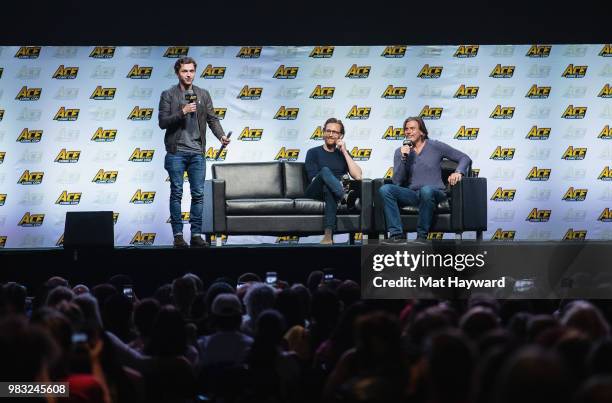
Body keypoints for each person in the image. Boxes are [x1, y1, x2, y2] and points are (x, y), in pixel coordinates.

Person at [158, 56, 230, 248]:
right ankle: (178, 236)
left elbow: (212, 119)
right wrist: (181, 112)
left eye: (191, 71)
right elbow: (162, 122)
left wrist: (221, 136)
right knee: (177, 193)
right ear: (177, 73)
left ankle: (196, 234)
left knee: (198, 194)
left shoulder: (203, 94)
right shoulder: (168, 95)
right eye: (184, 71)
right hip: (176, 152)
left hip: (197, 152)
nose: (188, 75)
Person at [379, 117, 471, 243]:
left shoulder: (435, 146)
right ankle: (396, 235)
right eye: (406, 129)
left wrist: (458, 172)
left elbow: (464, 158)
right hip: (413, 194)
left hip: (435, 192)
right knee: (386, 189)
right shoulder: (400, 152)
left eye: (412, 128)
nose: (408, 132)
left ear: (422, 132)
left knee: (426, 190)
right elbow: (397, 182)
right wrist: (403, 158)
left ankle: (421, 236)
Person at [304, 118, 362, 244]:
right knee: (325, 171)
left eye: (335, 132)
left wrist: (345, 152)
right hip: (315, 190)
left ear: (340, 136)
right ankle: (344, 195)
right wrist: (339, 188)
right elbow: (314, 179)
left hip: (331, 191)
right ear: (323, 132)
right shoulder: (313, 152)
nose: (331, 134)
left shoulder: (342, 154)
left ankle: (328, 236)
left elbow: (358, 176)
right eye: (328, 131)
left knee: (329, 189)